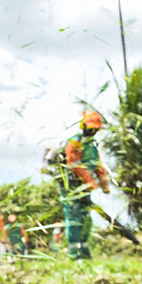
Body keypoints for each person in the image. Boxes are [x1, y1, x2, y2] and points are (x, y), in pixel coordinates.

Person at [55, 111, 110, 260]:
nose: (92, 131)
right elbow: (74, 164)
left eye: (95, 129)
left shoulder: (93, 146)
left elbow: (98, 166)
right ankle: (73, 252)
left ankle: (84, 250)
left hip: (85, 189)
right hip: (71, 188)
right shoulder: (74, 142)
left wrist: (104, 183)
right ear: (83, 126)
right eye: (90, 128)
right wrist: (90, 181)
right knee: (74, 217)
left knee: (86, 218)